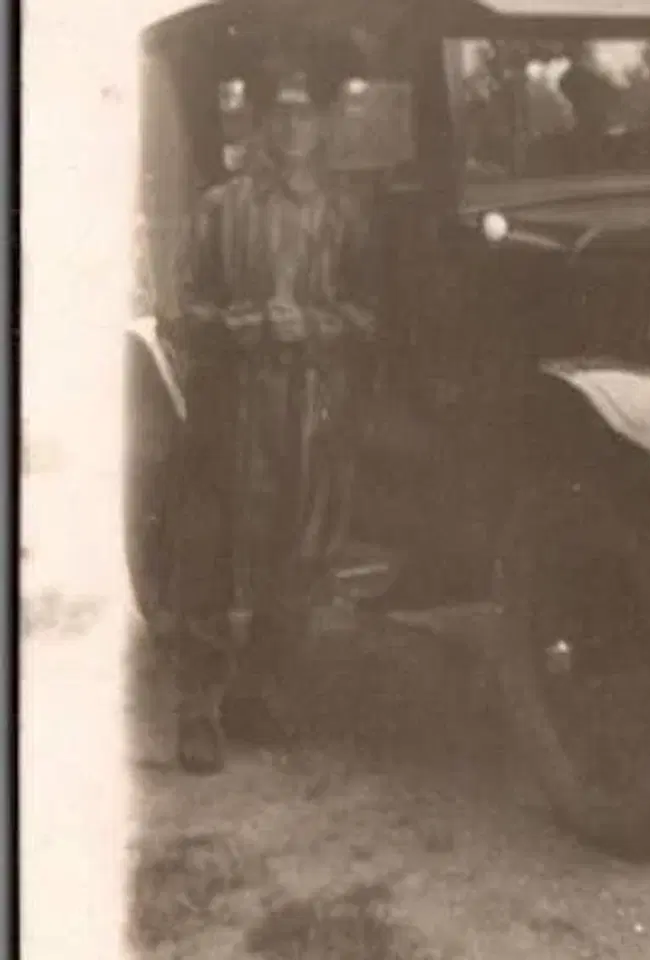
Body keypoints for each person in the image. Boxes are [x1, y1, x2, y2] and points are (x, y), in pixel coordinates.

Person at [165, 32, 376, 774]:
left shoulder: (346, 215)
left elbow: (371, 314)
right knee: (216, 553)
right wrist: (240, 325)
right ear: (258, 123)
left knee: (299, 552)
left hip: (312, 407)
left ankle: (260, 695)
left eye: (305, 116)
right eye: (278, 115)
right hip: (234, 404)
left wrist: (314, 323)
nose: (291, 131)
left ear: (322, 126)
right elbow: (180, 314)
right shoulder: (221, 209)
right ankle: (199, 709)